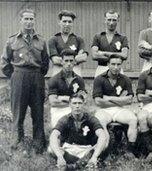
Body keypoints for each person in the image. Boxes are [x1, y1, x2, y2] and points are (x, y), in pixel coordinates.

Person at [1, 9, 49, 154]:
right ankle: (17, 143)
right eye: (26, 19)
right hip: (19, 77)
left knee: (38, 112)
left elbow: (45, 63)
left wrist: (38, 76)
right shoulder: (12, 40)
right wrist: (16, 76)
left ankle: (39, 144)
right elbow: (4, 63)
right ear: (20, 20)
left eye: (31, 19)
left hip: (36, 77)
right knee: (18, 112)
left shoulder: (41, 40)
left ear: (34, 20)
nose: (29, 22)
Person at [93, 54, 138, 157]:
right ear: (108, 64)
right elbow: (98, 101)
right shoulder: (99, 79)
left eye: (118, 64)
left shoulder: (125, 79)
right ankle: (105, 149)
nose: (116, 67)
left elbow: (129, 100)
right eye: (113, 64)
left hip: (120, 110)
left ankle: (129, 151)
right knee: (100, 121)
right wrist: (121, 99)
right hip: (104, 110)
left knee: (133, 120)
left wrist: (109, 98)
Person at [49, 93, 108, 169]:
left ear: (83, 104)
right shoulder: (65, 119)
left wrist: (95, 156)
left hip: (86, 150)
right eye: (74, 103)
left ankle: (75, 165)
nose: (77, 106)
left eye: (79, 103)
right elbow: (54, 135)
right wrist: (59, 156)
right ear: (70, 105)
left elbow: (102, 135)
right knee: (51, 149)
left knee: (104, 144)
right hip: (70, 150)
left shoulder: (90, 118)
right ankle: (81, 164)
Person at [48, 49, 86, 128]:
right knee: (59, 131)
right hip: (59, 110)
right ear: (62, 62)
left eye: (71, 61)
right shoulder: (54, 79)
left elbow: (83, 100)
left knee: (82, 129)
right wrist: (73, 101)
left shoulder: (79, 80)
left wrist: (63, 98)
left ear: (75, 62)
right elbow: (53, 102)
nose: (69, 64)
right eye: (66, 61)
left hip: (75, 110)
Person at [48, 10, 88, 76]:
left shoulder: (78, 39)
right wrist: (73, 60)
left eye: (69, 22)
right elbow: (55, 60)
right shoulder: (53, 39)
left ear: (72, 23)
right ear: (59, 22)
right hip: (58, 70)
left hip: (75, 70)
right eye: (64, 21)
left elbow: (83, 57)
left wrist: (65, 60)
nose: (67, 24)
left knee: (76, 85)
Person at [91, 9, 129, 77]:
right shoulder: (98, 37)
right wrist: (116, 56)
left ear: (118, 21)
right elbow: (94, 55)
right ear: (105, 20)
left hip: (117, 68)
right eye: (109, 20)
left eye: (114, 20)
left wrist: (104, 53)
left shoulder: (122, 38)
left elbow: (124, 55)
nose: (111, 23)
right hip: (101, 68)